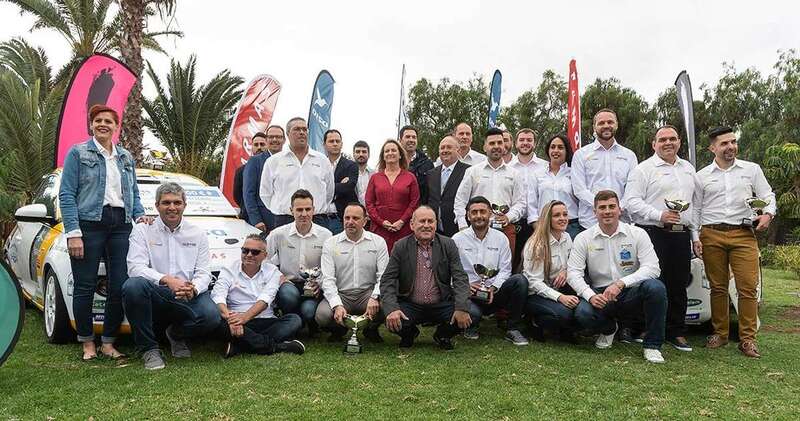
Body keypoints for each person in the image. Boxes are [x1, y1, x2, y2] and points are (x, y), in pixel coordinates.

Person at [59, 104, 150, 361]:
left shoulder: (125, 157)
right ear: (91, 125)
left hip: (121, 225)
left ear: (115, 126)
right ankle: (87, 343)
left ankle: (109, 342)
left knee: (119, 285)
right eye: (98, 120)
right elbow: (66, 194)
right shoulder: (78, 153)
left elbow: (132, 192)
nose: (103, 124)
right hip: (89, 225)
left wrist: (139, 215)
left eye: (108, 121)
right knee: (85, 285)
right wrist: (73, 232)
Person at [693, 126, 775, 358]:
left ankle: (748, 339)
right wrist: (695, 237)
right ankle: (720, 333)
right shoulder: (701, 176)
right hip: (711, 233)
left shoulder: (751, 170)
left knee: (748, 287)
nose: (730, 147)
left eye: (733, 142)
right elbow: (696, 209)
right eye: (724, 143)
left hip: (743, 233)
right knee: (717, 287)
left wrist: (768, 214)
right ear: (712, 148)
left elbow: (768, 195)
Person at [123, 182, 223, 370]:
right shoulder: (142, 229)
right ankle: (149, 350)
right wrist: (168, 280)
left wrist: (193, 288)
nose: (172, 208)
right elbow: (135, 267)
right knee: (133, 286)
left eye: (177, 202)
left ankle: (176, 335)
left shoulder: (198, 233)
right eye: (166, 202)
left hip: (187, 294)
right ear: (156, 206)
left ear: (185, 205)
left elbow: (203, 272)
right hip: (156, 292)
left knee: (211, 316)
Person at [567, 190, 667, 363]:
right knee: (582, 314)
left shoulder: (637, 234)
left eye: (612, 206)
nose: (607, 211)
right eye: (602, 207)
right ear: (594, 212)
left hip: (631, 292)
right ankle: (608, 329)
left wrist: (621, 283)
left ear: (620, 210)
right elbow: (573, 273)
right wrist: (590, 296)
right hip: (600, 295)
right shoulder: (583, 238)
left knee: (656, 288)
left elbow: (653, 268)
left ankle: (652, 346)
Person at [623, 125, 697, 352]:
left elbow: (694, 207)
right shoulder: (643, 169)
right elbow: (630, 202)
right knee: (652, 282)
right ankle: (645, 327)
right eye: (662, 139)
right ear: (654, 144)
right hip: (652, 232)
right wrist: (659, 215)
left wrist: (695, 235)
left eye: (672, 139)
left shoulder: (688, 169)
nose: (668, 143)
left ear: (679, 142)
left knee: (678, 282)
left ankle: (676, 331)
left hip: (681, 234)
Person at [380, 206, 473, 349]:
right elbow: (388, 280)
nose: (426, 225)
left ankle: (442, 335)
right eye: (422, 221)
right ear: (412, 224)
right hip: (411, 303)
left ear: (436, 224)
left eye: (431, 221)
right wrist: (392, 309)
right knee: (388, 313)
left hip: (441, 303)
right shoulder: (401, 246)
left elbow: (460, 277)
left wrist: (461, 307)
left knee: (468, 312)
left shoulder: (448, 244)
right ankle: (409, 333)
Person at [212, 234, 306, 358]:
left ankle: (240, 346)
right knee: (217, 323)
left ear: (265, 256)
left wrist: (245, 317)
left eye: (255, 252)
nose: (249, 255)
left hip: (265, 319)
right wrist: (231, 318)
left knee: (294, 320)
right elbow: (218, 295)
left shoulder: (272, 271)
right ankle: (277, 347)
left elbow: (265, 299)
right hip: (235, 320)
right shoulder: (229, 269)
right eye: (245, 251)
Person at [452, 196, 529, 345]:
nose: (479, 216)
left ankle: (512, 328)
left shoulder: (501, 238)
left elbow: (506, 270)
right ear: (468, 215)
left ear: (490, 214)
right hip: (469, 294)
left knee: (520, 281)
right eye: (474, 212)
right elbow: (450, 271)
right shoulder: (457, 239)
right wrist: (466, 286)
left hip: (495, 293)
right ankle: (471, 326)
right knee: (473, 314)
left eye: (483, 211)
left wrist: (493, 288)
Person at [317, 203, 388, 342]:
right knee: (322, 315)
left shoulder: (378, 242)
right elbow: (328, 279)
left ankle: (371, 328)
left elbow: (383, 276)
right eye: (347, 218)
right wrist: (337, 305)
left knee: (387, 307)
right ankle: (338, 329)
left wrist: (374, 297)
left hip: (367, 293)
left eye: (355, 218)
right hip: (342, 293)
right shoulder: (330, 243)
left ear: (365, 221)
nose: (350, 222)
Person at [266, 189, 332, 334]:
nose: (304, 214)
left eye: (308, 209)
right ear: (291, 210)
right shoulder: (278, 234)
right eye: (299, 209)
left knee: (308, 311)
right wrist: (279, 276)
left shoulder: (326, 235)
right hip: (288, 284)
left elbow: (330, 266)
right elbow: (263, 258)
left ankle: (300, 322)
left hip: (312, 286)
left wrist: (319, 284)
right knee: (288, 296)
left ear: (314, 210)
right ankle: (293, 320)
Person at [454, 127, 526, 253]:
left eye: (500, 142)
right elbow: (460, 201)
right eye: (492, 143)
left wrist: (509, 217)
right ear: (485, 147)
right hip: (477, 229)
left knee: (505, 270)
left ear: (504, 146)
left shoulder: (515, 174)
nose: (496, 146)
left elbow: (521, 203)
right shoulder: (472, 171)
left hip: (506, 229)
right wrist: (463, 226)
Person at [260, 117, 335, 229]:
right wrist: (280, 209)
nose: (301, 132)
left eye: (304, 129)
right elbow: (265, 193)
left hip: (317, 220)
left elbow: (329, 192)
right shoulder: (273, 161)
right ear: (287, 134)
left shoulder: (322, 160)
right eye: (297, 129)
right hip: (284, 219)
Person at [571, 109, 638, 229]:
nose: (606, 126)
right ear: (594, 127)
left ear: (616, 125)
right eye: (601, 123)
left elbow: (633, 188)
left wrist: (617, 208)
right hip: (590, 223)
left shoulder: (629, 156)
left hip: (621, 221)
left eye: (610, 122)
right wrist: (601, 207)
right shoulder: (581, 155)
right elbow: (579, 189)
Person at [523, 200, 579, 342]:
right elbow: (534, 282)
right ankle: (534, 322)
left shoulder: (566, 237)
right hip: (536, 294)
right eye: (557, 215)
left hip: (558, 288)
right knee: (565, 314)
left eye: (565, 214)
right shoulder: (536, 244)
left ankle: (562, 329)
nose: (562, 218)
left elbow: (572, 263)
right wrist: (560, 298)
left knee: (578, 309)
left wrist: (565, 271)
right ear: (548, 219)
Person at [365, 139, 420, 252]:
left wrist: (402, 221)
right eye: (387, 151)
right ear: (383, 156)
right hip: (379, 230)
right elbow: (369, 203)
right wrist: (381, 222)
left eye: (394, 150)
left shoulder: (410, 177)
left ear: (400, 155)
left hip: (404, 229)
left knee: (403, 262)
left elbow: (414, 202)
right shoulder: (375, 178)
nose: (390, 153)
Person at [509, 128, 548, 270]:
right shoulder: (508, 167)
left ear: (535, 143)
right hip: (514, 222)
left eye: (529, 140)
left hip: (538, 222)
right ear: (515, 143)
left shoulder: (545, 166)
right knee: (513, 260)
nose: (525, 143)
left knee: (536, 260)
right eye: (522, 140)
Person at [529, 134, 581, 240]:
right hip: (544, 226)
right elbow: (531, 204)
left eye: (560, 147)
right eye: (552, 147)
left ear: (567, 151)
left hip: (571, 227)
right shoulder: (537, 174)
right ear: (548, 150)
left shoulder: (574, 174)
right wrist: (537, 227)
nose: (556, 150)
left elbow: (581, 199)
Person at [424, 136, 469, 237]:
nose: (445, 150)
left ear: (458, 150)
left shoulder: (468, 171)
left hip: (458, 229)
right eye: (442, 148)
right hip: (435, 231)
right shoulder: (431, 174)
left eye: (449, 147)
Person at [244, 126, 285, 233]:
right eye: (271, 137)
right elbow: (248, 193)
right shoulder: (255, 161)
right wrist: (256, 220)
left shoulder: (290, 160)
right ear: (266, 140)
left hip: (285, 220)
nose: (275, 140)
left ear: (284, 140)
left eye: (279, 137)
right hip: (263, 222)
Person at [323, 129, 358, 234]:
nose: (335, 144)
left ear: (341, 144)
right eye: (331, 141)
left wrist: (325, 186)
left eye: (337, 141)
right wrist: (339, 185)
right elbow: (314, 187)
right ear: (324, 144)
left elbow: (348, 187)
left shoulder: (351, 165)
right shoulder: (318, 165)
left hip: (340, 218)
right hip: (320, 217)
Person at [234, 132, 270, 222]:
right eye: (256, 145)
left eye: (262, 144)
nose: (259, 147)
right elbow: (237, 195)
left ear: (267, 146)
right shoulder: (241, 170)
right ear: (252, 147)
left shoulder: (274, 167)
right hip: (248, 218)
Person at [400, 125, 434, 199]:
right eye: (407, 137)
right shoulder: (394, 163)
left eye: (414, 137)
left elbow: (432, 192)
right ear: (400, 140)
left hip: (420, 208)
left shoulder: (427, 164)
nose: (411, 140)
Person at [353, 140, 375, 206]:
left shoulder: (375, 174)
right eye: (358, 152)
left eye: (364, 152)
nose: (361, 154)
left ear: (369, 154)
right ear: (353, 154)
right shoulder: (347, 173)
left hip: (370, 213)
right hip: (353, 213)